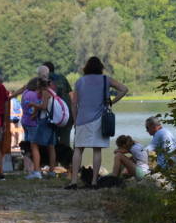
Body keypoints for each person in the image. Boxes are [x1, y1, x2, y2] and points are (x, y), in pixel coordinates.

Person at [65, 56, 128, 189]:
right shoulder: (106, 80)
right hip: (100, 119)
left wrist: (75, 120)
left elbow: (74, 103)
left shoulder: (80, 82)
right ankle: (94, 182)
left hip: (82, 119)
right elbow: (124, 89)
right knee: (97, 150)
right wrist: (112, 102)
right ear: (100, 68)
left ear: (86, 68)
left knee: (78, 149)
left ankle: (74, 181)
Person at [21, 77, 57, 180]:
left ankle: (37, 172)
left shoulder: (45, 92)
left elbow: (44, 106)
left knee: (34, 145)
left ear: (40, 86)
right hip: (52, 121)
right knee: (51, 146)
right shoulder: (53, 92)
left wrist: (33, 105)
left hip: (44, 121)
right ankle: (52, 171)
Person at [44, 61, 73, 150]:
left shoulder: (44, 80)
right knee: (65, 140)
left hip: (52, 115)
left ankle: (53, 162)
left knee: (51, 142)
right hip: (66, 114)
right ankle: (66, 162)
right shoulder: (62, 78)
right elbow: (71, 94)